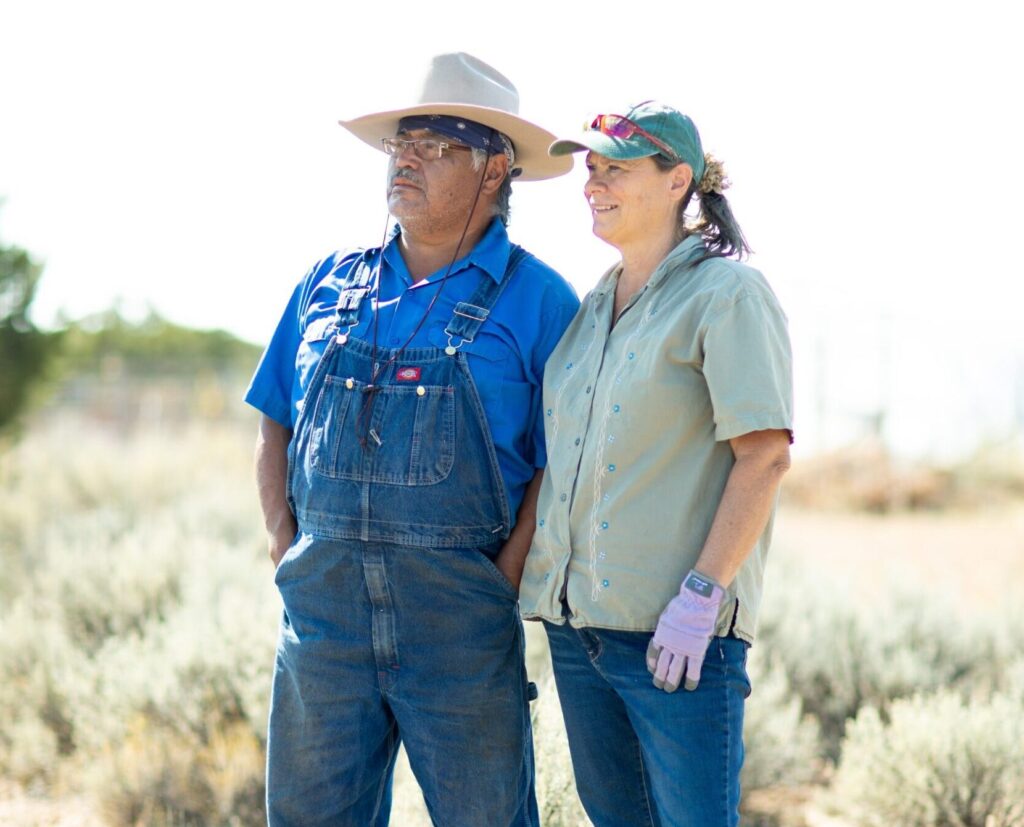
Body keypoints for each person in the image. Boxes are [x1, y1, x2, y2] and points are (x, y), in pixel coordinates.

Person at [244, 52, 579, 826]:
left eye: (438, 144)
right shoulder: (325, 281)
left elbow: (564, 461)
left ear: (495, 169)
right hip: (322, 617)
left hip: (459, 620)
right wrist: (282, 540)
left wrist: (505, 573)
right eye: (404, 141)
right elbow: (274, 415)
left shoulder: (542, 301)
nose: (407, 158)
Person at [518, 101, 794, 827]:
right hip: (580, 640)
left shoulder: (728, 294)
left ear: (678, 180)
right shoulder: (588, 310)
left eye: (617, 168)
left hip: (679, 644)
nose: (593, 182)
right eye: (591, 168)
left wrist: (701, 598)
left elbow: (763, 457)